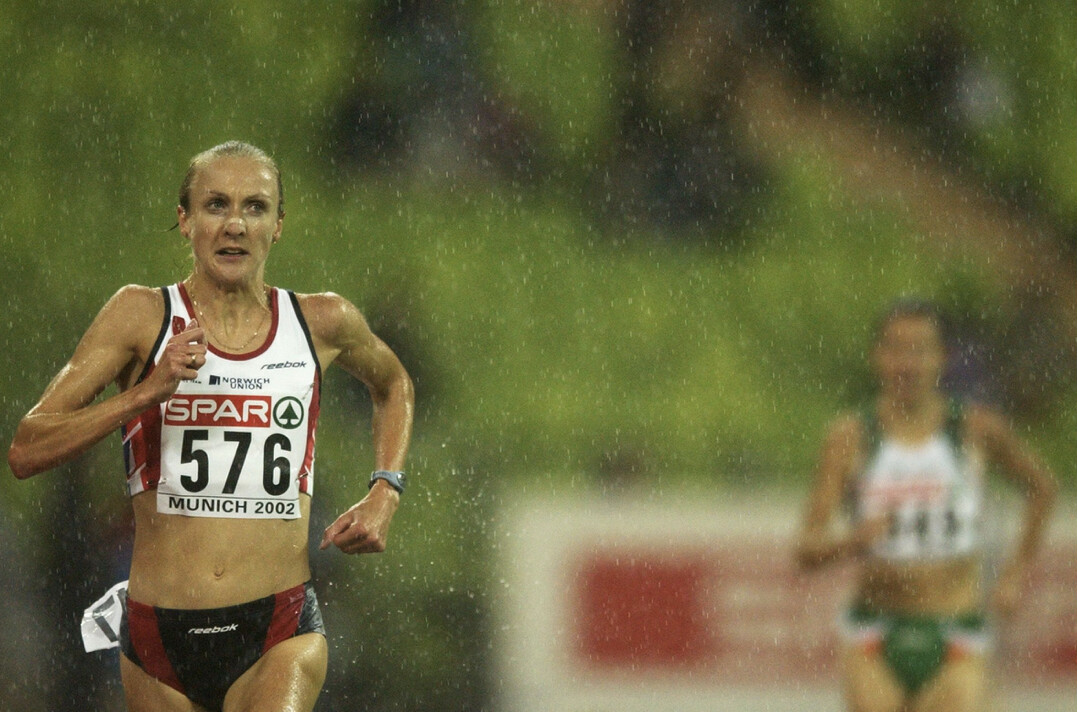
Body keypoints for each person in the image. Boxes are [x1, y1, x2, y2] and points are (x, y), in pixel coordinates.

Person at [8, 140, 415, 712]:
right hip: (159, 640)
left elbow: (394, 385)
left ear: (278, 225)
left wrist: (385, 490)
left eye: (255, 207)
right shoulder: (141, 316)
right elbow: (28, 447)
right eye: (216, 205)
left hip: (277, 629)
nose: (235, 225)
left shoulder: (321, 322)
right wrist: (146, 392)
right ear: (185, 220)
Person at [795, 298, 1056, 712]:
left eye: (920, 350)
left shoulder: (975, 428)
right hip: (876, 634)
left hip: (955, 631)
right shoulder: (849, 437)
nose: (908, 364)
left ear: (942, 358)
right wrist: (852, 541)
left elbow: (1042, 488)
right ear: (877, 356)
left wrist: (1015, 573)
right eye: (896, 349)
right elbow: (806, 549)